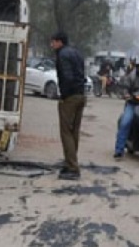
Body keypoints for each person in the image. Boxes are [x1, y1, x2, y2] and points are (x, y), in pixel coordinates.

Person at [50, 31, 87, 180]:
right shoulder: (76, 53)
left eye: (53, 41)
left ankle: (72, 167)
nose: (51, 44)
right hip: (81, 95)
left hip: (70, 97)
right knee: (74, 132)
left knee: (66, 132)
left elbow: (67, 77)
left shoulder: (62, 55)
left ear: (60, 42)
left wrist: (64, 96)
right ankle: (70, 161)